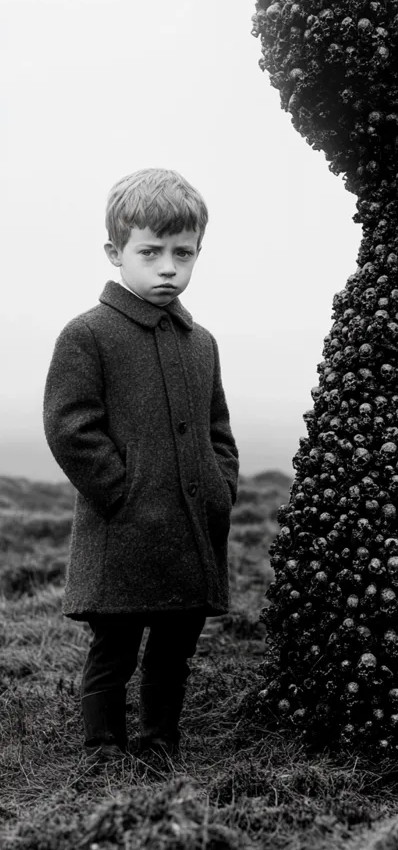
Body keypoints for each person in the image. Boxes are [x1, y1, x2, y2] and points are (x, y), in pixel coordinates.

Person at [43, 167, 239, 767]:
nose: (168, 268)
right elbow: (70, 426)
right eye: (150, 252)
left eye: (183, 253)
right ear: (115, 252)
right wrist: (120, 492)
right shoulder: (88, 334)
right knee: (115, 649)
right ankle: (103, 751)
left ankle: (160, 747)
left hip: (189, 533)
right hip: (123, 532)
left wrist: (218, 488)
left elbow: (218, 431)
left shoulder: (200, 341)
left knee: (175, 650)